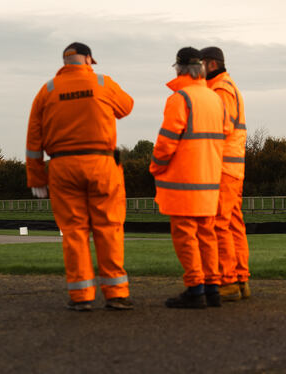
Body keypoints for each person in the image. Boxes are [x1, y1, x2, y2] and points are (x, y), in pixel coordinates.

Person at [26, 42, 135, 311]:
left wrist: (36, 178)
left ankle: (82, 296)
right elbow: (127, 107)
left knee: (74, 232)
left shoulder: (47, 90)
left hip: (62, 167)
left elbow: (33, 139)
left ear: (65, 62)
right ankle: (116, 293)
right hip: (100, 163)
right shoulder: (102, 82)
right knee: (108, 228)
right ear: (87, 59)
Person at [149, 47, 231, 308]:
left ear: (179, 68)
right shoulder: (214, 98)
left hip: (184, 182)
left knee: (185, 236)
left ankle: (195, 290)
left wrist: (155, 166)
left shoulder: (179, 98)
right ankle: (213, 289)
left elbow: (166, 142)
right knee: (207, 235)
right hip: (210, 180)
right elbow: (226, 131)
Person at [201, 46, 250, 301]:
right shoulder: (229, 86)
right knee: (233, 224)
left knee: (219, 224)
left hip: (222, 168)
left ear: (210, 64)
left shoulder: (220, 88)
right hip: (233, 168)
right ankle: (241, 279)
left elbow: (222, 127)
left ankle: (227, 281)